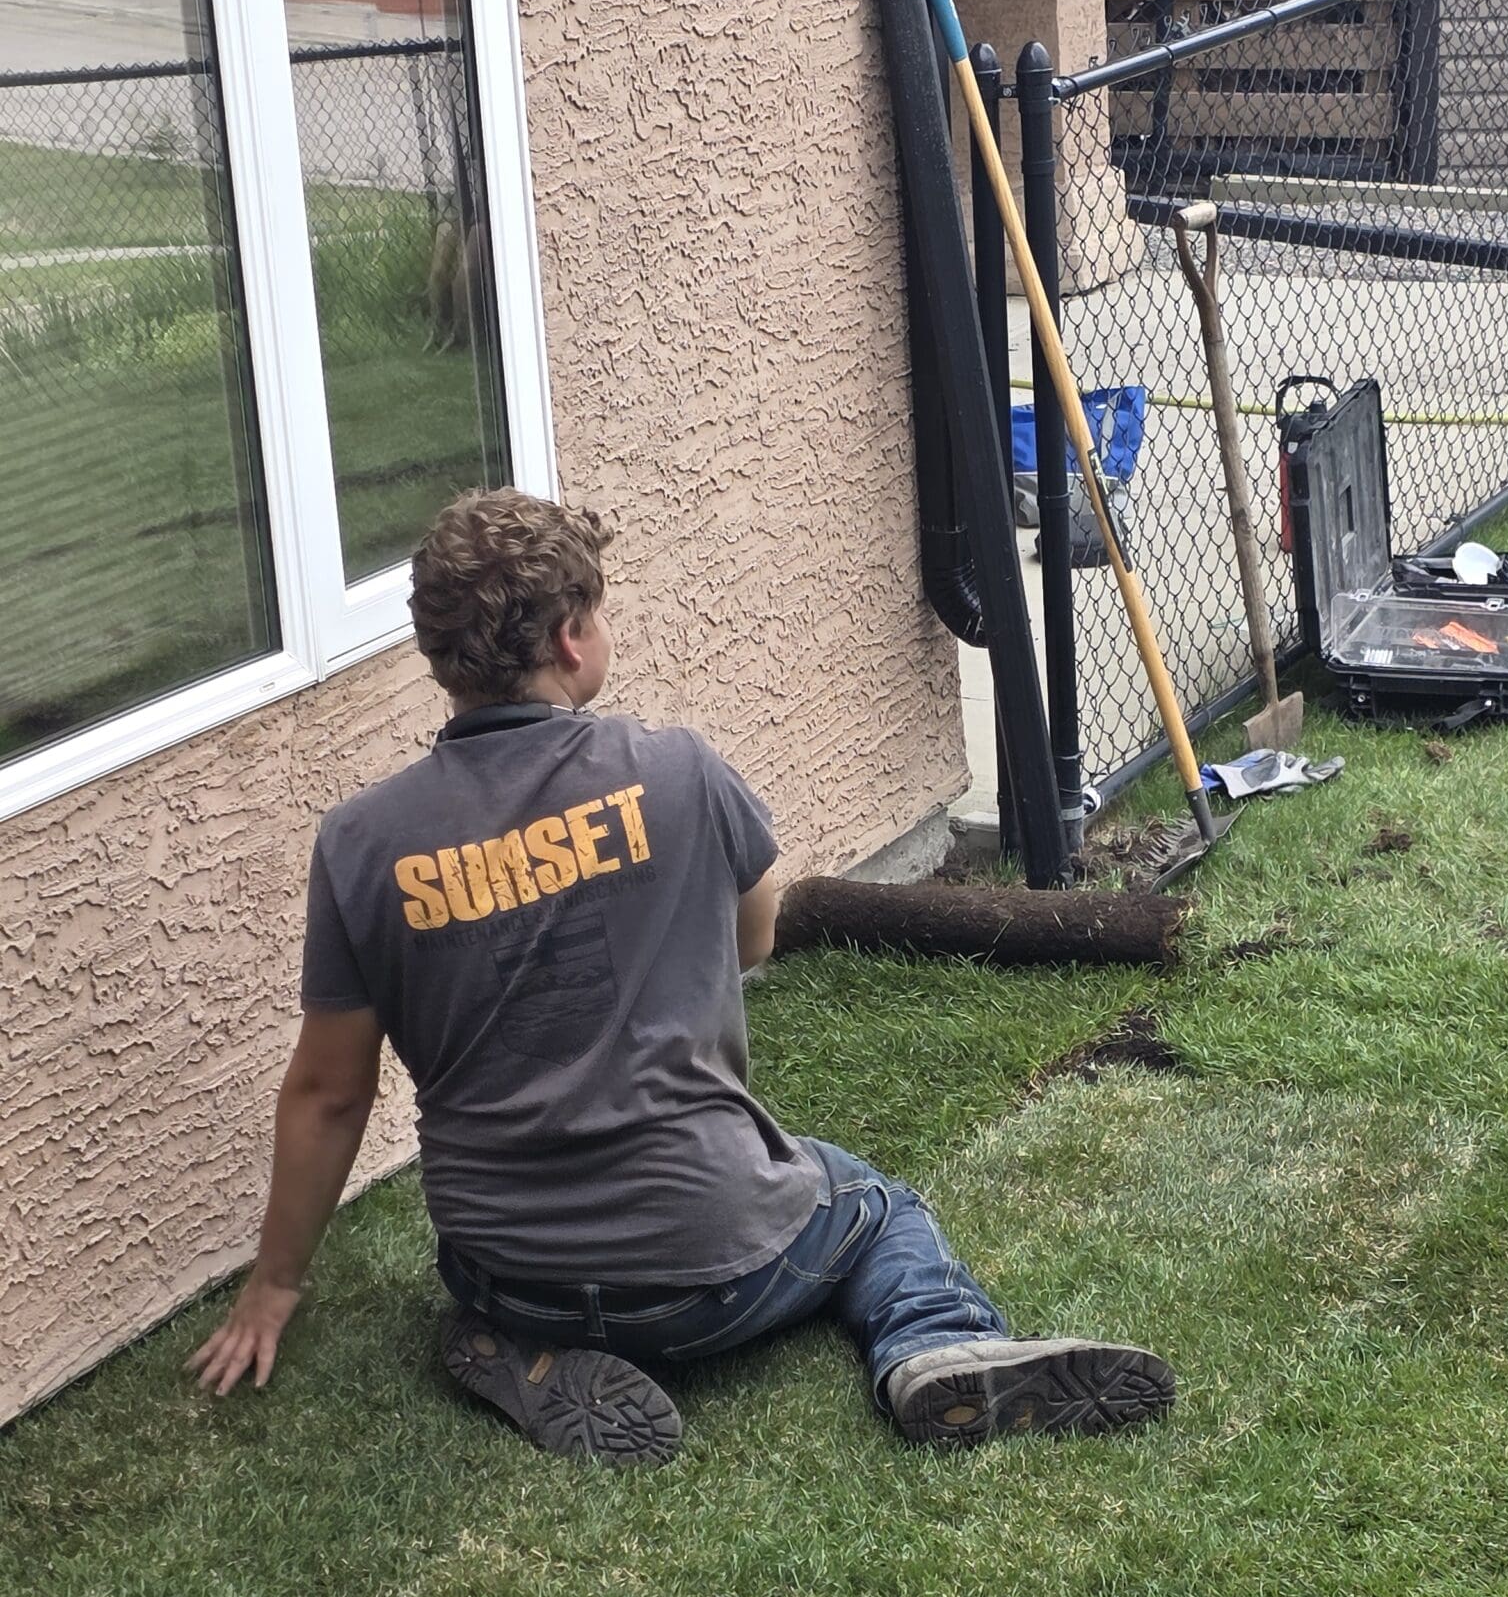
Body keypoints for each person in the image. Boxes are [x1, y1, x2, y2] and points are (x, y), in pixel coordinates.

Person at [192, 488, 1174, 1467]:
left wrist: (275, 1284)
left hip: (509, 1270)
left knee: (483, 1286)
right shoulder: (675, 771)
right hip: (719, 1272)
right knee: (875, 1206)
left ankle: (514, 1344)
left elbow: (329, 1093)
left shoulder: (361, 843)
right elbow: (755, 938)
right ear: (571, 638)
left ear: (439, 651)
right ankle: (936, 1346)